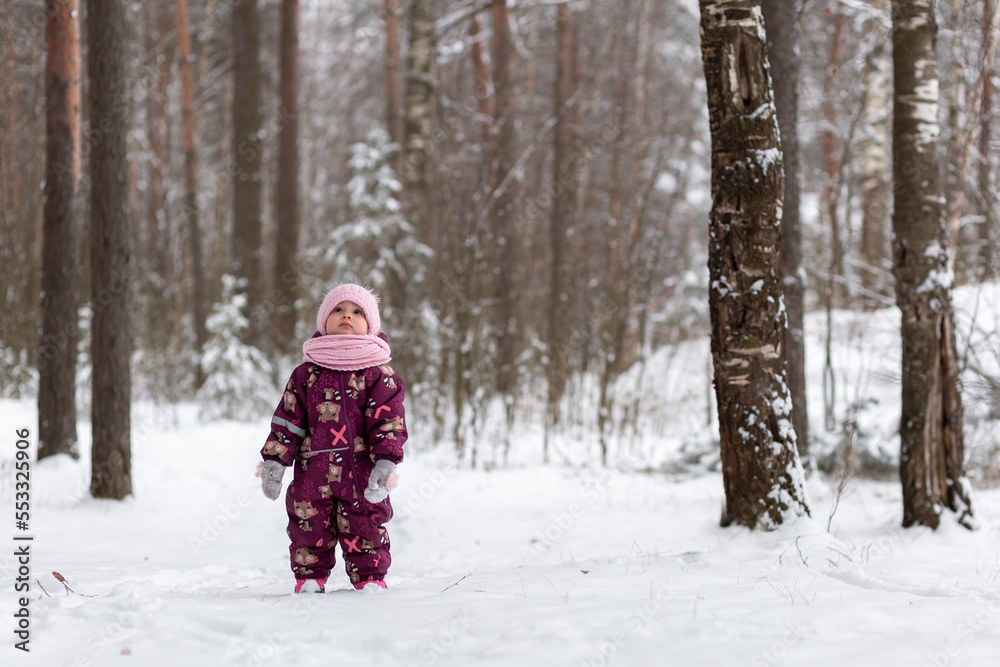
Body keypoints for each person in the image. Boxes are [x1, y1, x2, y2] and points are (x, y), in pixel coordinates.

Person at [257, 284, 406, 593]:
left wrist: (386, 461)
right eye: (338, 310)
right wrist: (275, 459)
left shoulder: (378, 374)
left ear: (371, 324)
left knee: (366, 523)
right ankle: (310, 577)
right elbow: (288, 419)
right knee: (307, 525)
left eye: (356, 311)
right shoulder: (306, 374)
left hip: (362, 472)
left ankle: (370, 579)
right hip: (312, 473)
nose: (346, 316)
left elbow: (388, 420)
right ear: (324, 320)